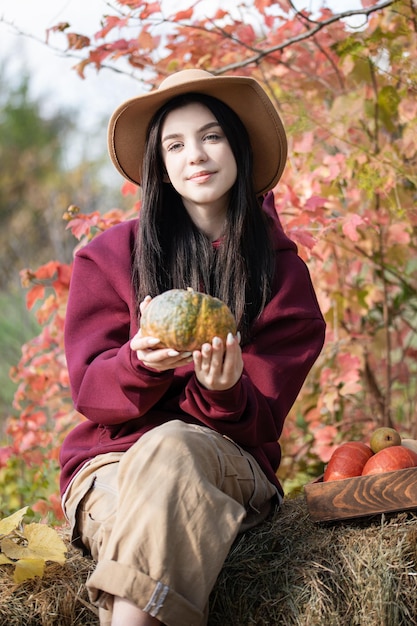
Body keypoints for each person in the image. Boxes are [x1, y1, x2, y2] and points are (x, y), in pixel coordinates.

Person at [61, 68, 326, 626]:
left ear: (237, 146)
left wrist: (225, 392)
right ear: (159, 165)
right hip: (109, 467)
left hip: (225, 467)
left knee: (174, 447)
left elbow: (262, 424)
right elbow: (91, 395)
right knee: (147, 537)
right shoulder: (108, 258)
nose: (196, 156)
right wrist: (137, 365)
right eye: (174, 145)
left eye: (211, 136)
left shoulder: (282, 275)